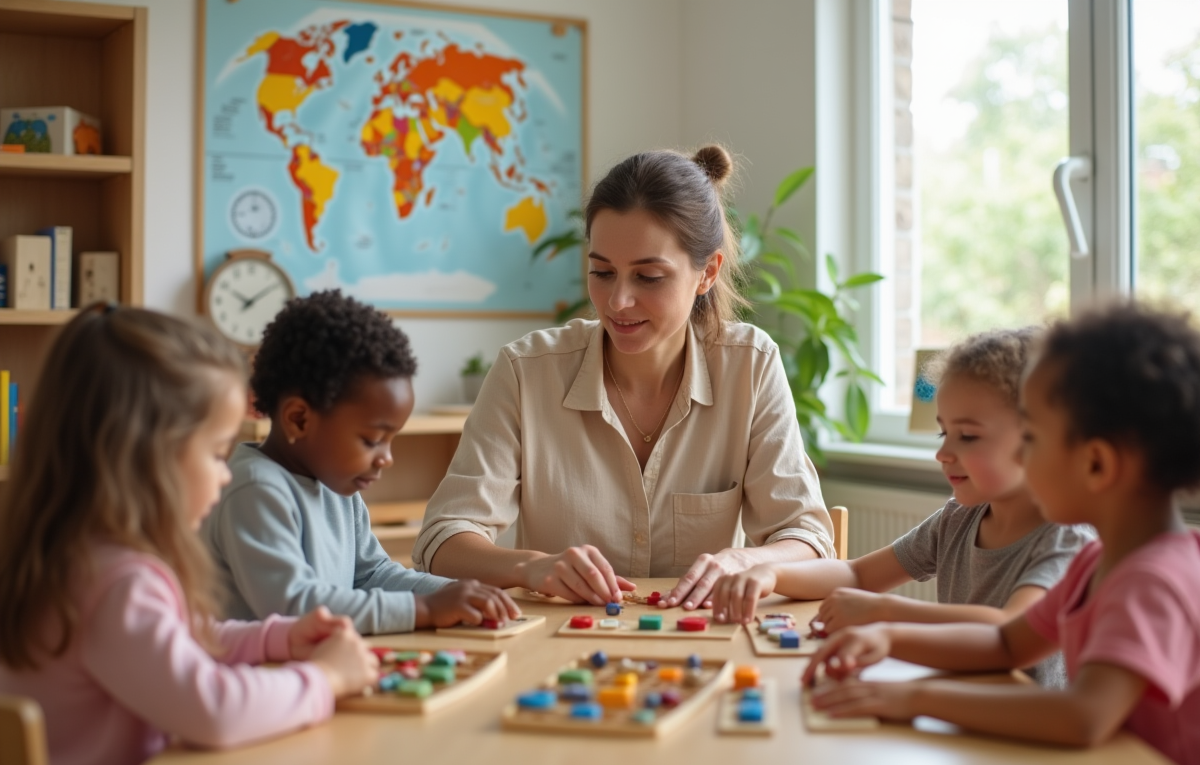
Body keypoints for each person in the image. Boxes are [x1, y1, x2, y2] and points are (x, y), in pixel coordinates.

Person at [414, 145, 835, 611]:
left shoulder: (750, 365)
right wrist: (528, 566)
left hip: (703, 649)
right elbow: (442, 539)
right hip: (559, 649)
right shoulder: (524, 372)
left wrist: (744, 561)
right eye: (602, 272)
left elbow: (809, 538)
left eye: (648, 276)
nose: (617, 301)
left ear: (707, 273)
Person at [803, 304, 1200, 765]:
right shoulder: (1101, 559)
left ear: (1096, 464)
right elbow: (1006, 643)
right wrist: (887, 638)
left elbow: (1083, 717)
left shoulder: (1153, 580)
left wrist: (916, 697)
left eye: (1030, 439)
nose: (1020, 457)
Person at [0, 304, 378, 765]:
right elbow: (215, 711)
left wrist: (277, 639)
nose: (226, 474)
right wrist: (325, 678)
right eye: (218, 453)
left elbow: (183, 641)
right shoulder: (119, 584)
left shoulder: (75, 557)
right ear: (147, 454)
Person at [712, 328, 1093, 685]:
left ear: (1042, 438)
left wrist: (885, 612)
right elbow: (857, 574)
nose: (943, 453)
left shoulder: (1067, 539)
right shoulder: (958, 518)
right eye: (945, 432)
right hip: (962, 710)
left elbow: (1010, 627)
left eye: (969, 436)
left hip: (1030, 737)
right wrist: (771, 574)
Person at [204, 290, 521, 634]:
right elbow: (294, 605)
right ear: (298, 419)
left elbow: (372, 575)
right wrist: (425, 608)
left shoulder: (337, 483)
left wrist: (456, 592)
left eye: (391, 439)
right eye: (371, 440)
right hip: (257, 678)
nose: (386, 458)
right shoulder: (253, 488)